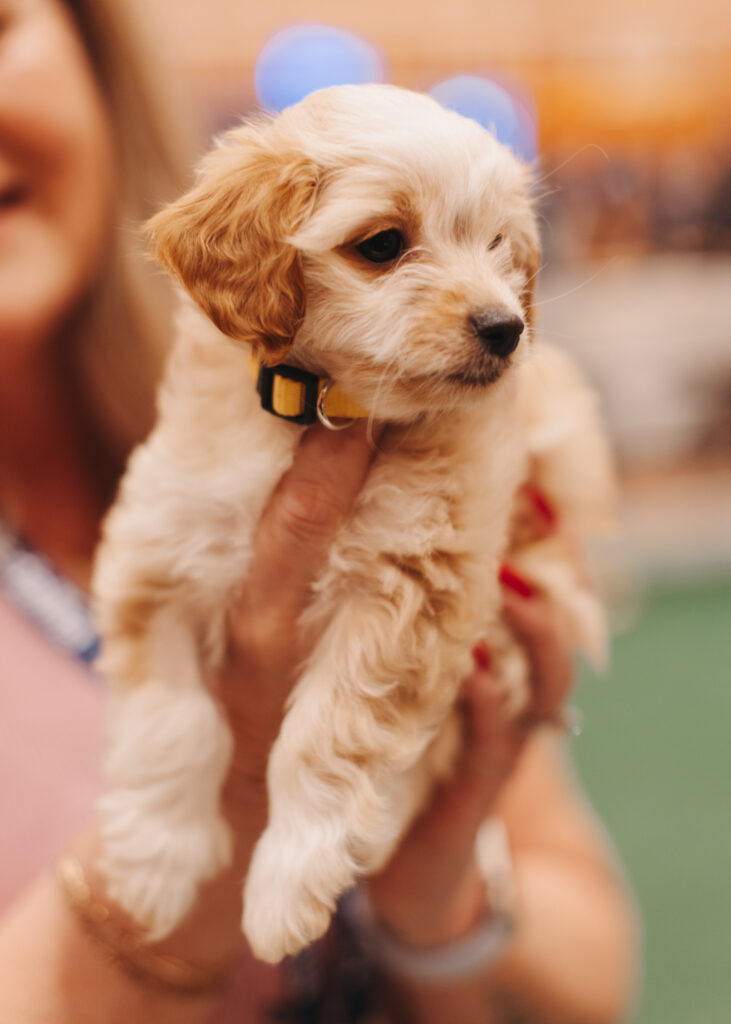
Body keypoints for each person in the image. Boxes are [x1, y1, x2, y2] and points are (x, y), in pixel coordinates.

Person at [0, 1, 638, 1021]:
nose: (493, 306)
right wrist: (230, 779)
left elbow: (590, 971)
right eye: (384, 245)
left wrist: (438, 908)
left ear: (92, 47)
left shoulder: (407, 434)